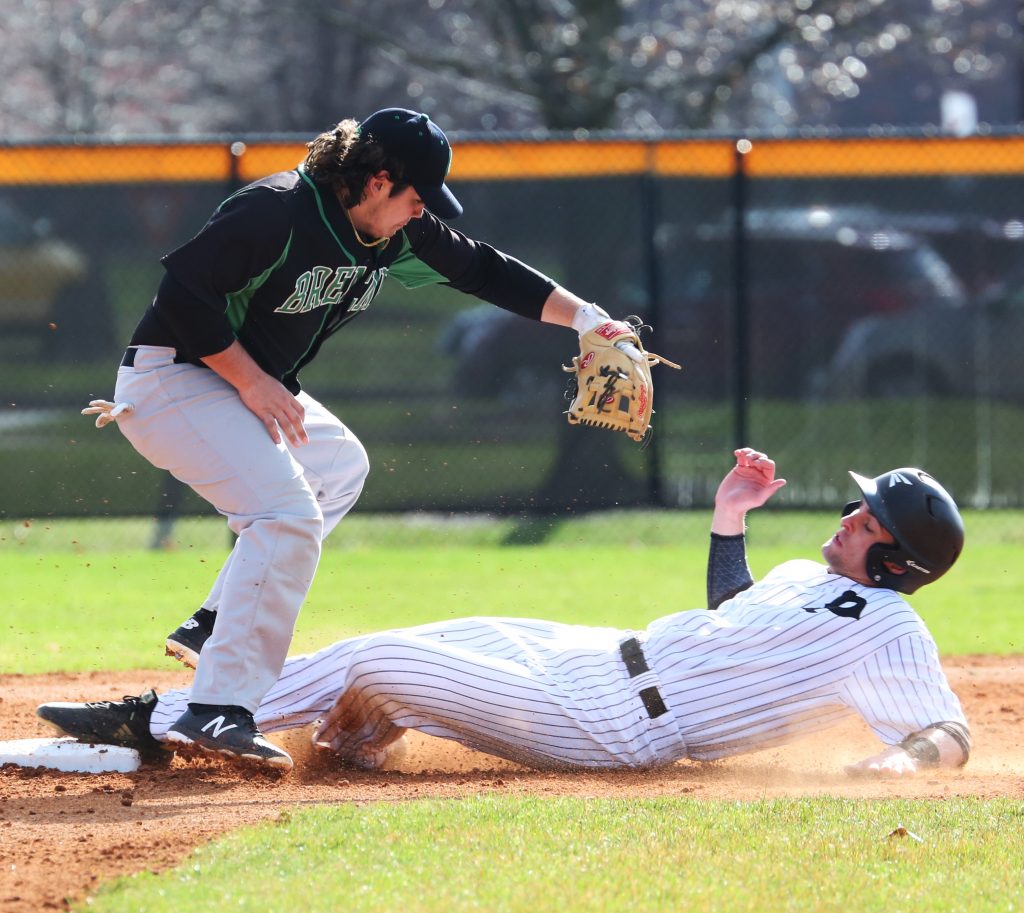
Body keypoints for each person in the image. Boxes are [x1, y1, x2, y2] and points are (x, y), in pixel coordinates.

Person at [86, 108, 624, 771]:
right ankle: (217, 706)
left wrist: (588, 320)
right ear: (377, 180)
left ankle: (217, 621)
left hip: (234, 386)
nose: (419, 214)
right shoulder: (277, 209)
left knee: (337, 464)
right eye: (414, 198)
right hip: (176, 379)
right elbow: (181, 297)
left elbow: (485, 270)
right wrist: (254, 384)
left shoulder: (389, 234)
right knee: (286, 516)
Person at [39, 448, 970, 777]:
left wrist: (895, 764)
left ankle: (160, 719)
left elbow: (948, 734)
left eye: (867, 516)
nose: (850, 516)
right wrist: (730, 515)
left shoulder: (890, 628)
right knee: (457, 631)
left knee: (378, 655)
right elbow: (735, 615)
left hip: (615, 724)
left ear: (895, 554)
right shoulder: (818, 585)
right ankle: (355, 745)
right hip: (598, 657)